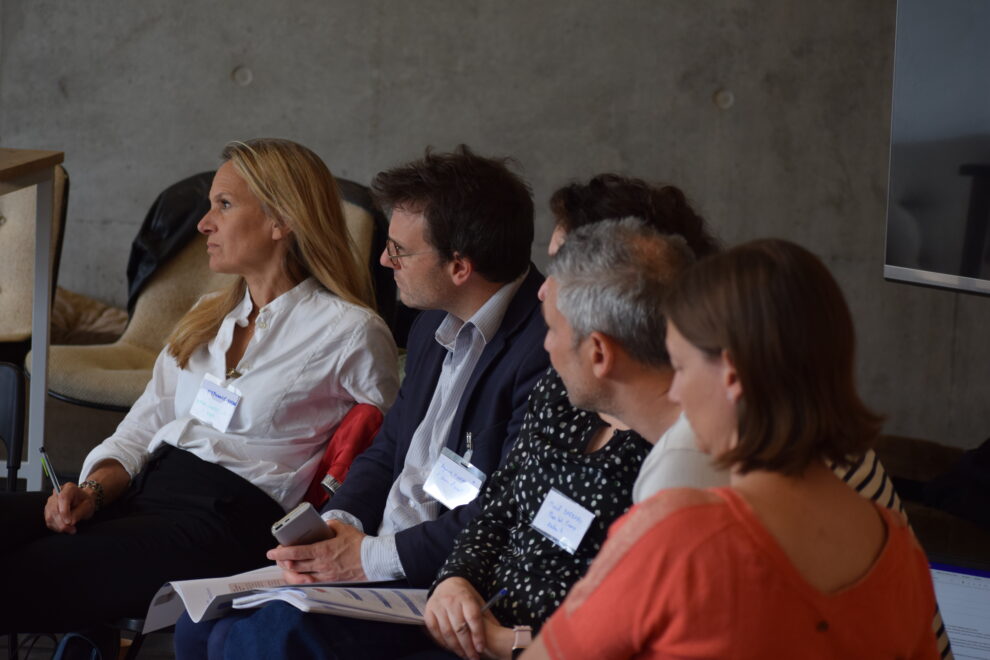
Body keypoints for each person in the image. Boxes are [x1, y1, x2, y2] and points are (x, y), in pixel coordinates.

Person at [0, 138, 399, 635]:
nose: (203, 224)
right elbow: (145, 421)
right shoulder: (205, 318)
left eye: (223, 206)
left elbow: (387, 452)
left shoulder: (350, 332)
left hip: (226, 523)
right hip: (143, 492)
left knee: (26, 576)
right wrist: (93, 491)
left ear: (282, 221)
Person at [176, 145, 550, 660]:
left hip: (449, 583)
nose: (382, 259)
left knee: (268, 637)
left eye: (399, 250)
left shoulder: (546, 349)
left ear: (460, 265)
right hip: (378, 554)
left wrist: (368, 559)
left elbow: (505, 512)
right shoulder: (429, 324)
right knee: (199, 624)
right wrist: (343, 524)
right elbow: (390, 445)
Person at [525, 237, 939, 659]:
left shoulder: (679, 534)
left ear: (732, 376)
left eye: (681, 367)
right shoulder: (902, 551)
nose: (678, 392)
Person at [421, 177, 724, 660]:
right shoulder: (566, 388)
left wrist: (510, 644)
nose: (541, 293)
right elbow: (500, 503)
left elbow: (626, 635)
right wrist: (456, 581)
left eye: (562, 268)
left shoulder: (683, 468)